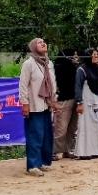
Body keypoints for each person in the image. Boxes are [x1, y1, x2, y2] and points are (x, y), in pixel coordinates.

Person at [19, 38, 57, 176]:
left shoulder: (49, 63)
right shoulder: (29, 64)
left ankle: (43, 162)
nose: (43, 43)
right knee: (35, 135)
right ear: (33, 47)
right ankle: (33, 165)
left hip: (47, 105)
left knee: (46, 135)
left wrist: (54, 100)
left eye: (44, 42)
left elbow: (53, 84)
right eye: (39, 42)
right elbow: (23, 85)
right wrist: (25, 103)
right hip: (34, 105)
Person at [74, 48, 98, 159]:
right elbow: (78, 86)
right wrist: (79, 102)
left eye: (97, 55)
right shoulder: (81, 70)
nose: (96, 56)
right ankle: (85, 153)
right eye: (93, 55)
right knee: (86, 126)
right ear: (88, 56)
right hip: (87, 101)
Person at [53, 48, 80, 160]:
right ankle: (53, 152)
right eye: (73, 55)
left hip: (75, 99)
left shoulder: (75, 68)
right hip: (63, 100)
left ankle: (67, 150)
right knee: (61, 128)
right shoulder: (59, 67)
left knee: (72, 127)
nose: (76, 58)